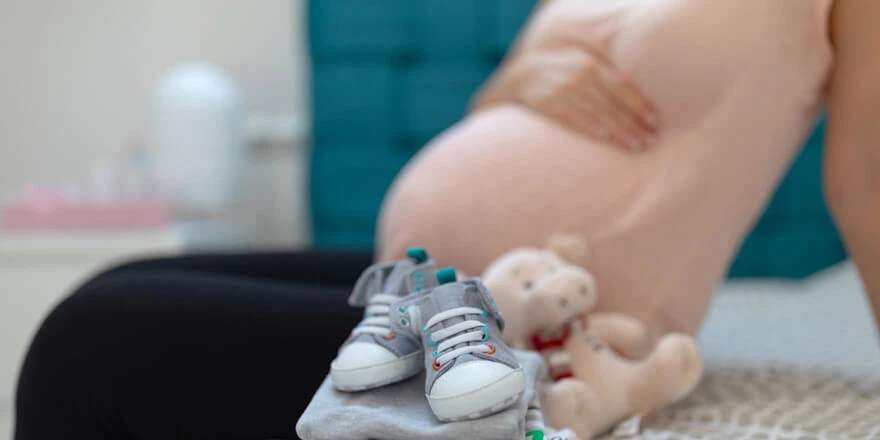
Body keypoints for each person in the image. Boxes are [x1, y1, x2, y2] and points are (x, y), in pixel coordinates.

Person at [13, 0, 880, 438]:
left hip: (557, 323)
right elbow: (511, 98)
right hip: (442, 276)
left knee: (88, 340)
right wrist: (514, 85)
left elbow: (868, 178)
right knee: (119, 284)